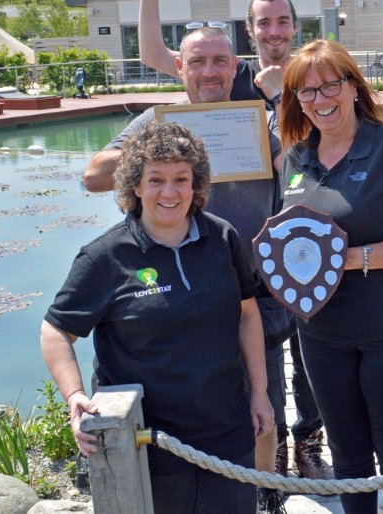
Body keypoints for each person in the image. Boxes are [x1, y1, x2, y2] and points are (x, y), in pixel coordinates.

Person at [137, 0, 335, 508]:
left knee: (312, 358)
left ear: (296, 26)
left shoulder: (311, 72)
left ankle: (309, 442)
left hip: (300, 244)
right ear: (250, 33)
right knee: (263, 366)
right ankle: (261, 478)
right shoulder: (236, 75)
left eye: (282, 21)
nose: (274, 31)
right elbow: (159, 52)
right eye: (263, 23)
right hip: (235, 255)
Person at [43, 121, 273, 512]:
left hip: (226, 430)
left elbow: (248, 315)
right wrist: (75, 396)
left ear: (196, 184)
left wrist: (260, 392)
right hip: (147, 440)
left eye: (181, 179)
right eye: (156, 180)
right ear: (135, 185)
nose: (169, 192)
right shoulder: (104, 256)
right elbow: (55, 332)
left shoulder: (222, 237)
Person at [277, 40, 383, 514]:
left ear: (352, 87)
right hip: (322, 334)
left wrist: (347, 258)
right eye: (305, 91)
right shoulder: (296, 158)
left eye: (330, 84)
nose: (319, 99)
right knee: (347, 454)